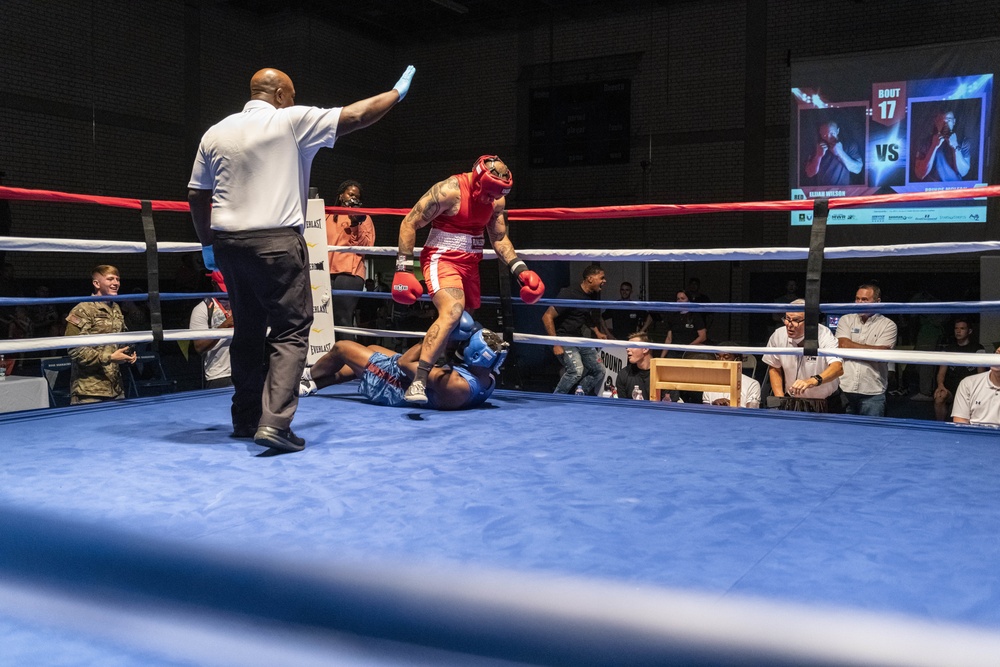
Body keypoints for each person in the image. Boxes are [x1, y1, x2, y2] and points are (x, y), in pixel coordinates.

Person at [188, 65, 415, 453]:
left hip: (229, 244)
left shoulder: (216, 131)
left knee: (246, 330)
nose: (294, 101)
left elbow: (196, 194)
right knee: (291, 331)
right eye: (292, 95)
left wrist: (206, 242)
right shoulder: (289, 121)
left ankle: (245, 418)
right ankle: (275, 423)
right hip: (276, 242)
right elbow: (358, 115)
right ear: (279, 95)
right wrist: (396, 94)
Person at [391, 155, 544, 404]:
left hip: (471, 263)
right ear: (477, 181)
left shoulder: (496, 200)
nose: (490, 200)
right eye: (488, 194)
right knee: (452, 312)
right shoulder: (448, 191)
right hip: (442, 258)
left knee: (464, 323)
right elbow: (409, 223)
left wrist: (520, 269)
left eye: (496, 196)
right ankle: (419, 379)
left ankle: (443, 368)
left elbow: (499, 239)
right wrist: (404, 268)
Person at [300, 322, 509, 411]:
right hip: (406, 378)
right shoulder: (488, 379)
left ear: (473, 355)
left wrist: (435, 336)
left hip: (394, 386)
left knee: (342, 348)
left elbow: (404, 363)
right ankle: (314, 385)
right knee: (371, 349)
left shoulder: (456, 385)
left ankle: (306, 373)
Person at [65, 265, 137, 405]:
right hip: (89, 391)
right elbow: (74, 349)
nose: (115, 283)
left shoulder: (116, 308)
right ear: (96, 283)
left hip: (115, 388)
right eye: (110, 279)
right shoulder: (83, 309)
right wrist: (110, 357)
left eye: (117, 279)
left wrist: (128, 352)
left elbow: (120, 338)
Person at [762, 300, 843, 412]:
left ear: (810, 321)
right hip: (791, 400)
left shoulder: (824, 335)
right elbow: (774, 367)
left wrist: (812, 381)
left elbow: (837, 368)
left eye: (796, 320)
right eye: (787, 318)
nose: (789, 324)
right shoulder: (778, 335)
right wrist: (780, 399)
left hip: (826, 402)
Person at [541, 264, 608, 395]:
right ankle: (556, 399)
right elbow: (547, 316)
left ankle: (579, 394)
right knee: (576, 370)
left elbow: (584, 314)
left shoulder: (591, 295)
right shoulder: (569, 293)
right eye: (602, 278)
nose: (604, 281)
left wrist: (597, 332)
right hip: (562, 338)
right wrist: (556, 343)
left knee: (599, 370)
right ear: (590, 279)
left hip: (577, 337)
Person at [835, 283, 898, 417]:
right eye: (857, 299)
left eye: (864, 300)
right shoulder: (846, 319)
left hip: (873, 392)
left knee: (872, 435)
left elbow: (881, 354)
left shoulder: (888, 325)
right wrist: (873, 350)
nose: (859, 303)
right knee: (841, 434)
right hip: (845, 388)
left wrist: (852, 348)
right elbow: (843, 345)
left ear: (877, 301)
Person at [327, 179, 375, 342]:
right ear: (341, 196)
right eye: (350, 194)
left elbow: (366, 246)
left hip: (350, 272)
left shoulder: (364, 218)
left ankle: (348, 362)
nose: (353, 198)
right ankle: (327, 360)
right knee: (324, 319)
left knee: (343, 318)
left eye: (357, 197)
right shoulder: (327, 216)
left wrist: (355, 223)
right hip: (325, 271)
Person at [933, 316, 987, 421]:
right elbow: (941, 373)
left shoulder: (978, 349)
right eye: (956, 328)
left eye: (962, 328)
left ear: (969, 331)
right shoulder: (948, 349)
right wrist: (940, 386)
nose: (958, 331)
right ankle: (940, 427)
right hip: (951, 390)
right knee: (939, 397)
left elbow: (981, 375)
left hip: (970, 390)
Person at [189, 270, 233, 389]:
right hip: (219, 375)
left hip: (248, 371)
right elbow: (199, 347)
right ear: (213, 283)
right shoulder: (202, 309)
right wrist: (224, 326)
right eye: (223, 286)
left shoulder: (243, 304)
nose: (227, 290)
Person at [914, 110, 971, 182]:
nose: (945, 124)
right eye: (941, 120)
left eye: (949, 120)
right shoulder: (925, 142)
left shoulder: (963, 141)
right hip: (931, 189)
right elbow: (920, 174)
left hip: (955, 189)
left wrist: (955, 146)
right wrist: (933, 146)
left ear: (954, 122)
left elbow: (963, 172)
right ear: (936, 122)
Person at [951, 346, 1000, 427]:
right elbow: (960, 422)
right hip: (973, 435)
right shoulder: (968, 383)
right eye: (997, 353)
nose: (998, 358)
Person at [803, 120, 863, 185]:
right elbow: (809, 173)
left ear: (838, 131)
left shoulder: (849, 145)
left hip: (844, 192)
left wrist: (840, 152)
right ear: (820, 133)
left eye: (832, 133)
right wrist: (818, 156)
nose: (829, 138)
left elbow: (857, 169)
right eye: (825, 135)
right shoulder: (816, 147)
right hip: (822, 192)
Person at [702, 343, 761, 408]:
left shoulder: (752, 384)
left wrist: (733, 406)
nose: (721, 361)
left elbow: (751, 414)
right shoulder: (710, 383)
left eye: (726, 357)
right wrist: (714, 404)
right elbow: (706, 411)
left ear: (737, 359)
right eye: (718, 357)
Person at [660, 290, 707, 358]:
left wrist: (688, 348)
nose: (680, 301)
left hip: (690, 353)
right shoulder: (673, 316)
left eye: (683, 298)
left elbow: (702, 337)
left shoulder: (695, 316)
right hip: (674, 352)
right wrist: (661, 357)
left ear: (689, 300)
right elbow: (669, 338)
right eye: (678, 299)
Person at [615, 331, 656, 401]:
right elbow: (622, 406)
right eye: (627, 347)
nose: (627, 349)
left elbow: (670, 403)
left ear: (645, 349)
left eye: (632, 346)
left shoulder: (663, 374)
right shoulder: (623, 374)